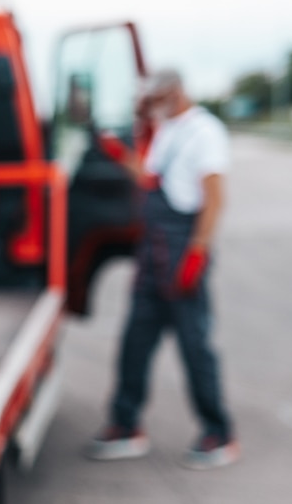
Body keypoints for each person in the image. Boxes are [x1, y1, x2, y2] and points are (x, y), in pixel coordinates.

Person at [87, 68, 238, 470]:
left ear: (175, 91)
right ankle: (126, 424)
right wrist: (119, 154)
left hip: (182, 251)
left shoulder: (205, 132)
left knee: (195, 347)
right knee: (134, 343)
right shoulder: (168, 130)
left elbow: (215, 198)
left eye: (156, 99)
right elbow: (153, 180)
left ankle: (219, 432)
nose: (152, 107)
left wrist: (197, 254)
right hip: (151, 256)